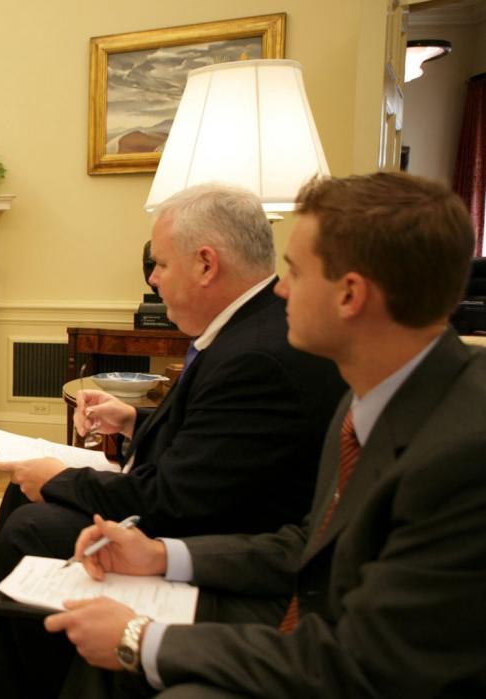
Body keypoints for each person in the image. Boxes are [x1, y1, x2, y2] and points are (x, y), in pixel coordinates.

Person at [45, 171, 485, 697]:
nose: (278, 288)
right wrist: (161, 555)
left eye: (295, 271)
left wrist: (142, 639)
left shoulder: (464, 452)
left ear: (350, 295)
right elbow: (307, 541)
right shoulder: (365, 394)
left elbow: (367, 664)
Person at [0, 184, 346, 696]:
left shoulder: (257, 356)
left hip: (209, 536)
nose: (152, 278)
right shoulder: (243, 334)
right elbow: (213, 446)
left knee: (33, 523)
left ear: (206, 264)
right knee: (24, 494)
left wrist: (64, 478)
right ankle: (4, 681)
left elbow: (177, 498)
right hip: (204, 512)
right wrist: (132, 423)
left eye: (161, 265)